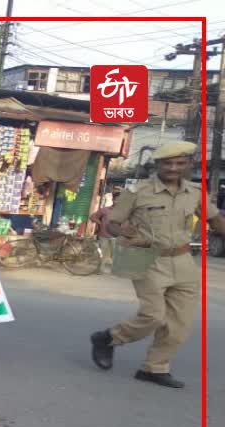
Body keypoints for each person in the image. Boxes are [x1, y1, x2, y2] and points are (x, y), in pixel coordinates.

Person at [90, 141, 225, 389]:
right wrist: (122, 229)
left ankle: (154, 368)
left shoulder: (195, 193)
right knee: (153, 315)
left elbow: (215, 220)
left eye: (179, 163)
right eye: (167, 163)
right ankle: (108, 339)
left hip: (183, 262)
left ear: (188, 165)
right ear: (158, 165)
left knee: (179, 324)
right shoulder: (138, 192)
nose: (173, 168)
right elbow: (112, 224)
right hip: (148, 258)